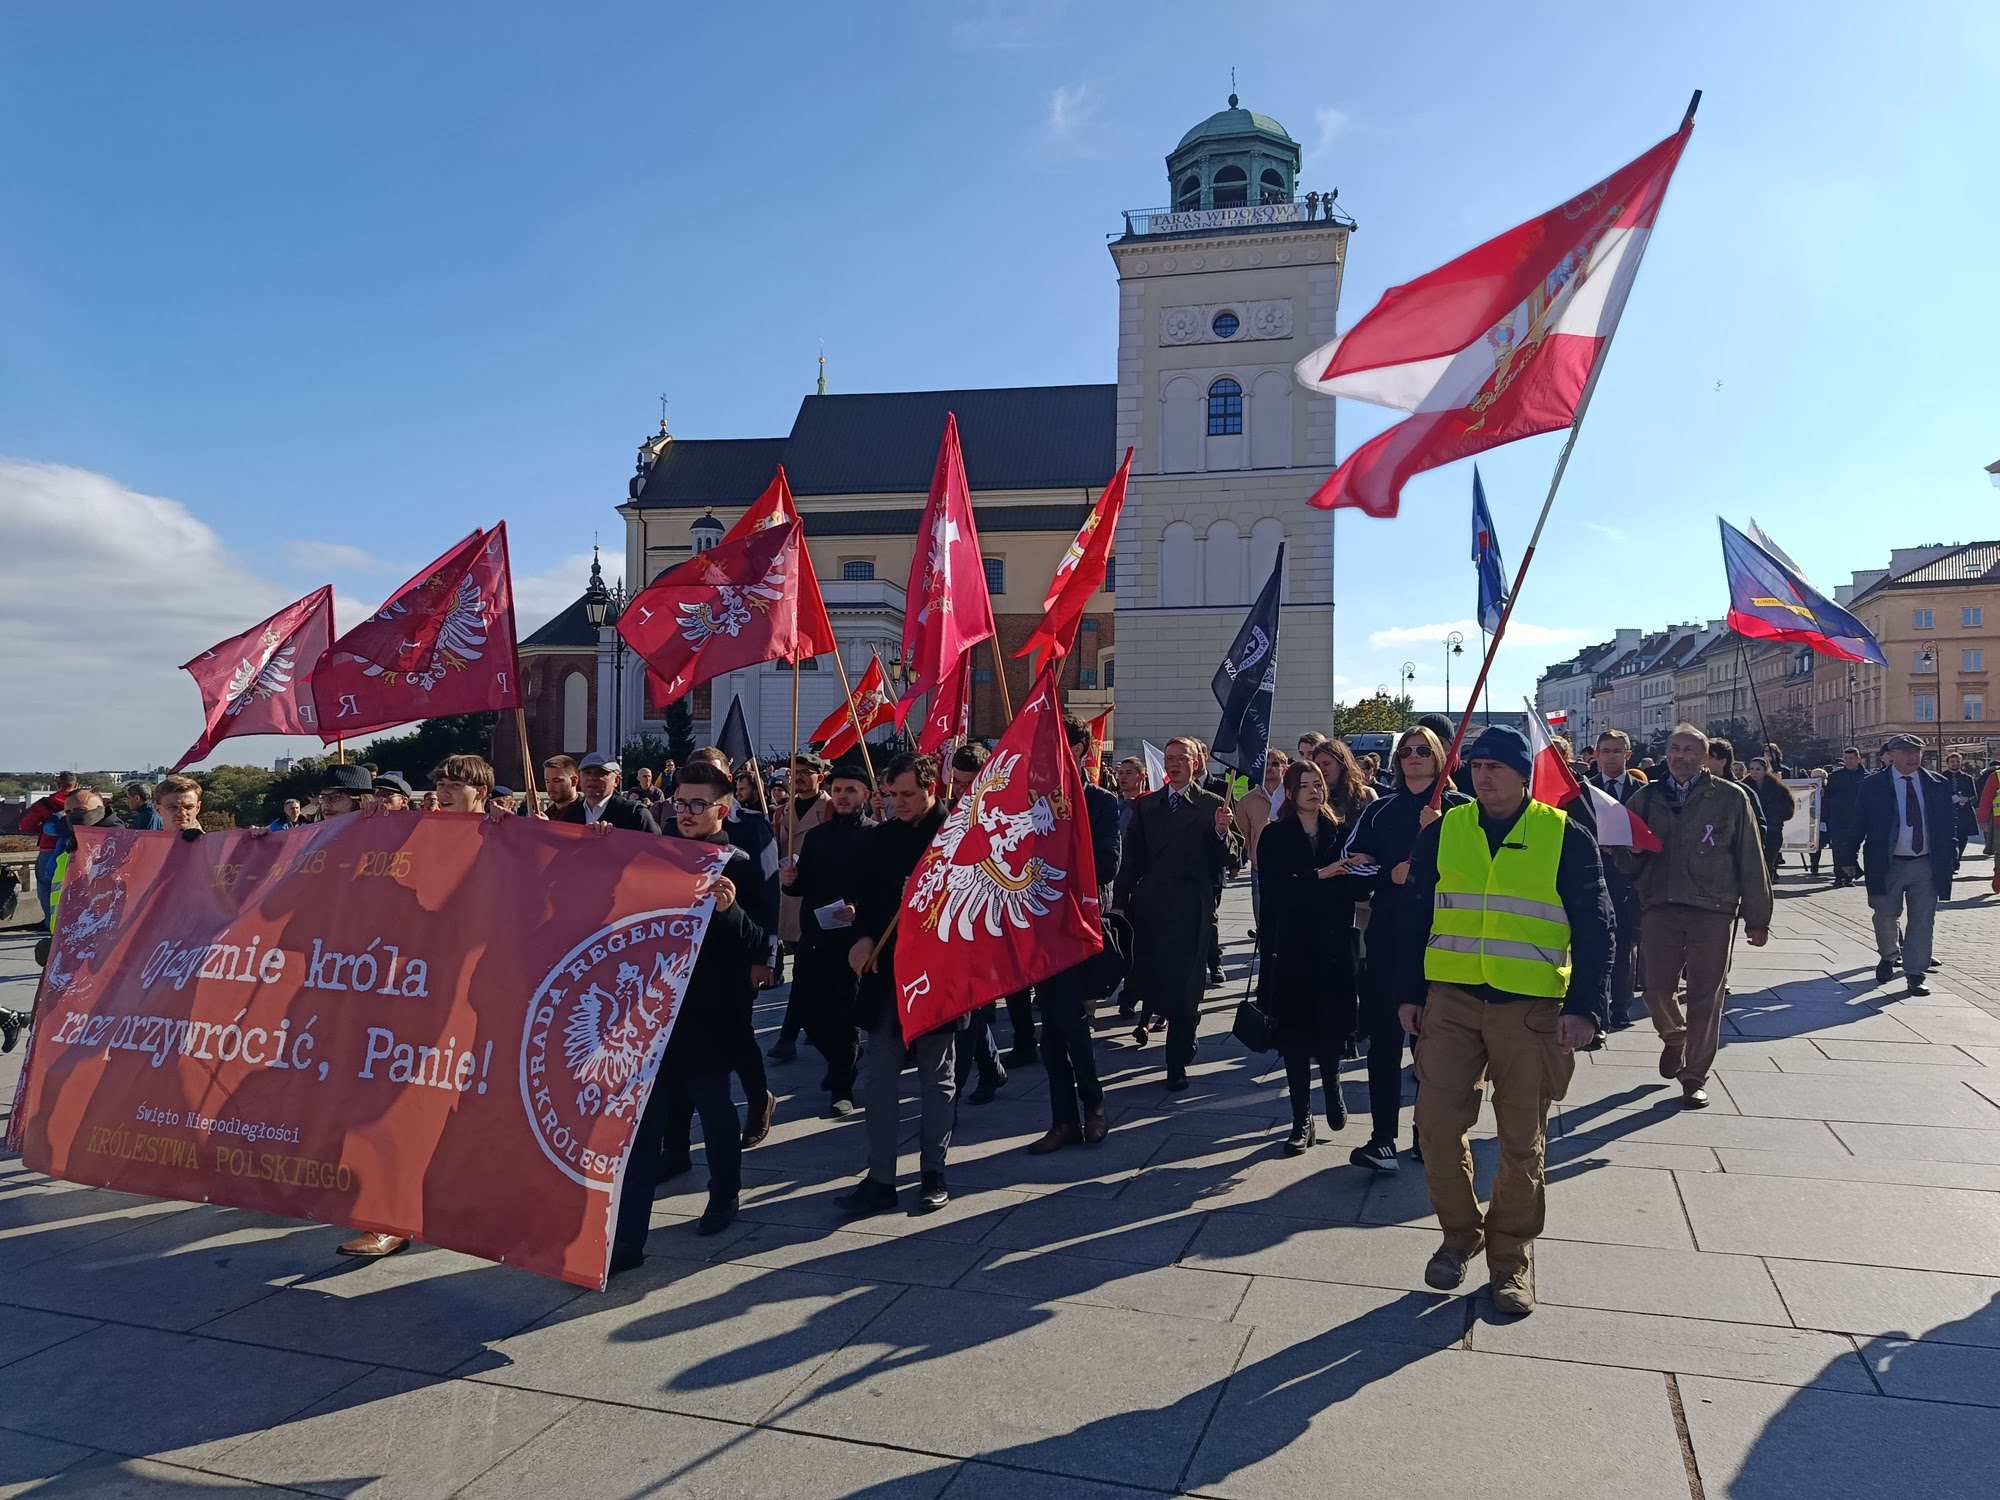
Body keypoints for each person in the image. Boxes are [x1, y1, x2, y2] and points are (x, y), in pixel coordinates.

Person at [1396, 724, 1613, 1316]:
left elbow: (1596, 926)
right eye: (1477, 764)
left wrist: (1587, 1008)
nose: (1483, 773)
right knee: (1436, 1128)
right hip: (1451, 1002)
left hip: (1531, 1009)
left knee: (1521, 1142)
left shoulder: (1564, 835)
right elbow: (1413, 915)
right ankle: (1460, 1234)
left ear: (1523, 774)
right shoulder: (1444, 831)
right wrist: (1408, 993)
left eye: (1496, 765)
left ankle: (1510, 1258)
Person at [610, 762, 769, 1270]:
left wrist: (730, 912)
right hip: (654, 1010)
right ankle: (628, 1240)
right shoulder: (660, 854)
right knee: (642, 1126)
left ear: (722, 809)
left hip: (711, 1010)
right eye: (680, 803)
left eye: (698, 805)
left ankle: (724, 1194)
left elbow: (760, 941)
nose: (686, 813)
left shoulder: (738, 862)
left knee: (715, 1111)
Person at [1337, 724, 1469, 1171]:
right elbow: (1352, 863)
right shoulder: (1381, 810)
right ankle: (1382, 1138)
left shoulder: (1462, 811)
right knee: (1385, 1039)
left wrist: (1440, 835)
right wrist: (1384, 873)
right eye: (1407, 751)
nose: (1414, 757)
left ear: (1439, 758)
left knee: (1430, 1046)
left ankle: (1426, 1133)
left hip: (1443, 939)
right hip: (1390, 936)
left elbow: (1479, 869)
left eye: (1423, 751)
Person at [1619, 726, 1771, 1108]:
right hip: (1660, 904)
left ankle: (1694, 1076)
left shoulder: (1730, 797)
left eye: (1690, 750)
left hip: (1713, 907)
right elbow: (1624, 860)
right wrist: (1629, 850)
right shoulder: (1647, 797)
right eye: (1674, 749)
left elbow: (1751, 857)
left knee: (1706, 995)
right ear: (1665, 754)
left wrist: (1757, 916)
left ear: (1705, 758)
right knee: (1654, 990)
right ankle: (1673, 1035)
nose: (1680, 756)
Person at [841, 753, 957, 1214]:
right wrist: (862, 937)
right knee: (878, 1077)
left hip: (939, 972)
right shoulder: (880, 838)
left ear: (932, 788)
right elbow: (865, 900)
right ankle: (880, 1177)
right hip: (885, 973)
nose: (899, 803)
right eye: (892, 795)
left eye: (909, 795)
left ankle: (934, 1172)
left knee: (937, 1079)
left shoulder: (956, 836)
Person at [1112, 737, 1239, 1090]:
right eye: (1169, 758)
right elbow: (1131, 858)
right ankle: (1166, 1025)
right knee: (1154, 977)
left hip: (1191, 907)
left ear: (1196, 763)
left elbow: (1231, 859)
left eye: (1182, 758)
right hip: (1151, 906)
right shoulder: (1147, 805)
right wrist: (1120, 901)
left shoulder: (1213, 805)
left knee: (1186, 986)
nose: (1174, 764)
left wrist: (1221, 831)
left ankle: (1177, 1059)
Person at [1029, 715, 1124, 1152]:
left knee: (1070, 1022)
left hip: (1079, 925)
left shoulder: (1101, 801)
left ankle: (1095, 1105)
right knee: (1050, 1030)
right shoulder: (1029, 801)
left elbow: (1108, 865)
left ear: (1082, 752)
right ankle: (1062, 1118)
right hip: (1039, 927)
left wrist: (1065, 846)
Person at [1258, 760, 1360, 1153]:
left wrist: (1358, 868)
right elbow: (1275, 889)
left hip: (1333, 947)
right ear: (1290, 792)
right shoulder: (1276, 835)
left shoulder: (1340, 832)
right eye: (1305, 785)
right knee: (1296, 1037)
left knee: (1333, 1028)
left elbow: (1349, 887)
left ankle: (1332, 1084)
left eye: (1318, 784)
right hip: (1292, 949)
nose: (1314, 791)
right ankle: (1302, 1117)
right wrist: (1319, 875)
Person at [779, 763, 874, 1115]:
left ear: (865, 794)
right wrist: (790, 879)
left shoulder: (876, 836)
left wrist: (858, 908)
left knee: (843, 1015)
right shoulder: (817, 836)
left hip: (853, 942)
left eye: (851, 790)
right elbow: (802, 886)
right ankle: (842, 1058)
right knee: (807, 1013)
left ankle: (841, 1085)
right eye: (838, 790)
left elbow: (885, 890)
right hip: (815, 937)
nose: (843, 796)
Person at [1859, 733, 1956, 997]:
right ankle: (1889, 955)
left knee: (1923, 919)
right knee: (1886, 914)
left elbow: (1948, 823)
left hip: (1925, 862)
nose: (1913, 757)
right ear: (1891, 755)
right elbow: (1858, 822)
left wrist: (1952, 853)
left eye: (1917, 752)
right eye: (1905, 752)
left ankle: (1915, 973)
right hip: (1888, 862)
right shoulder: (1874, 784)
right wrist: (1846, 858)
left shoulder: (1937, 783)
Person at [769, 753, 833, 1060]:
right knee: (809, 967)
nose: (800, 778)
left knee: (810, 969)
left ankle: (788, 1034)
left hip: (824, 898)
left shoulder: (830, 808)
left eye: (807, 772)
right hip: (794, 896)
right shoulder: (782, 812)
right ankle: (806, 1026)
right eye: (795, 773)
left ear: (820, 777)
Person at [1588, 730, 1644, 1035]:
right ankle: (1597, 1008)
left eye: (1617, 751)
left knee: (1624, 946)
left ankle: (1620, 1008)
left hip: (1628, 882)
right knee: (1595, 945)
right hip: (1593, 878)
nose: (1611, 756)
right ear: (1596, 755)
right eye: (1606, 751)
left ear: (1628, 755)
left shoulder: (1642, 791)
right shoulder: (1584, 792)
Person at [1233, 749, 1290, 929]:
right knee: (1263, 919)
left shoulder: (1294, 797)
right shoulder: (1247, 800)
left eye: (1275, 764)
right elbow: (1242, 835)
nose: (1270, 768)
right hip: (1260, 868)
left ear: (1284, 768)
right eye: (1266, 764)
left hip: (1291, 866)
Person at [552, 752, 660, 833]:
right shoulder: (568, 814)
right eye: (586, 773)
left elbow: (655, 849)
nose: (592, 778)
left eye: (600, 773)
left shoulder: (634, 813)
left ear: (616, 780)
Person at [18, 772, 76, 922]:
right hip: (74, 848)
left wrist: (44, 831)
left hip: (48, 850)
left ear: (58, 785)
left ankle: (50, 923)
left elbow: (25, 826)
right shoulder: (82, 802)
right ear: (76, 785)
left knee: (46, 887)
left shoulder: (45, 804)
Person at [1821, 747, 1867, 887]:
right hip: (1838, 818)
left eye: (1851, 758)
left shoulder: (1867, 777)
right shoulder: (1836, 776)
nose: (1848, 761)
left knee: (1852, 848)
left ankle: (1850, 876)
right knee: (1838, 848)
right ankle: (1839, 877)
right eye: (1846, 758)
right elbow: (1827, 795)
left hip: (1858, 818)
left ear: (1859, 759)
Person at [1746, 757, 1794, 874]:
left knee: (1769, 862)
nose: (1754, 772)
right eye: (1751, 769)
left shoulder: (1778, 787)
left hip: (1773, 830)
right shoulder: (1744, 786)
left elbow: (1787, 808)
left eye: (1758, 769)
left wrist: (1775, 819)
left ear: (1765, 770)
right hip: (1751, 830)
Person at [1944, 752, 1980, 864]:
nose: (1955, 764)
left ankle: (1957, 860)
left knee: (1962, 838)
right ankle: (1950, 859)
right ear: (1948, 763)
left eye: (1958, 761)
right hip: (1947, 812)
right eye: (1952, 762)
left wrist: (1967, 799)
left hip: (1964, 813)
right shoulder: (1942, 777)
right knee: (1948, 837)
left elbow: (1975, 796)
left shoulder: (1967, 778)